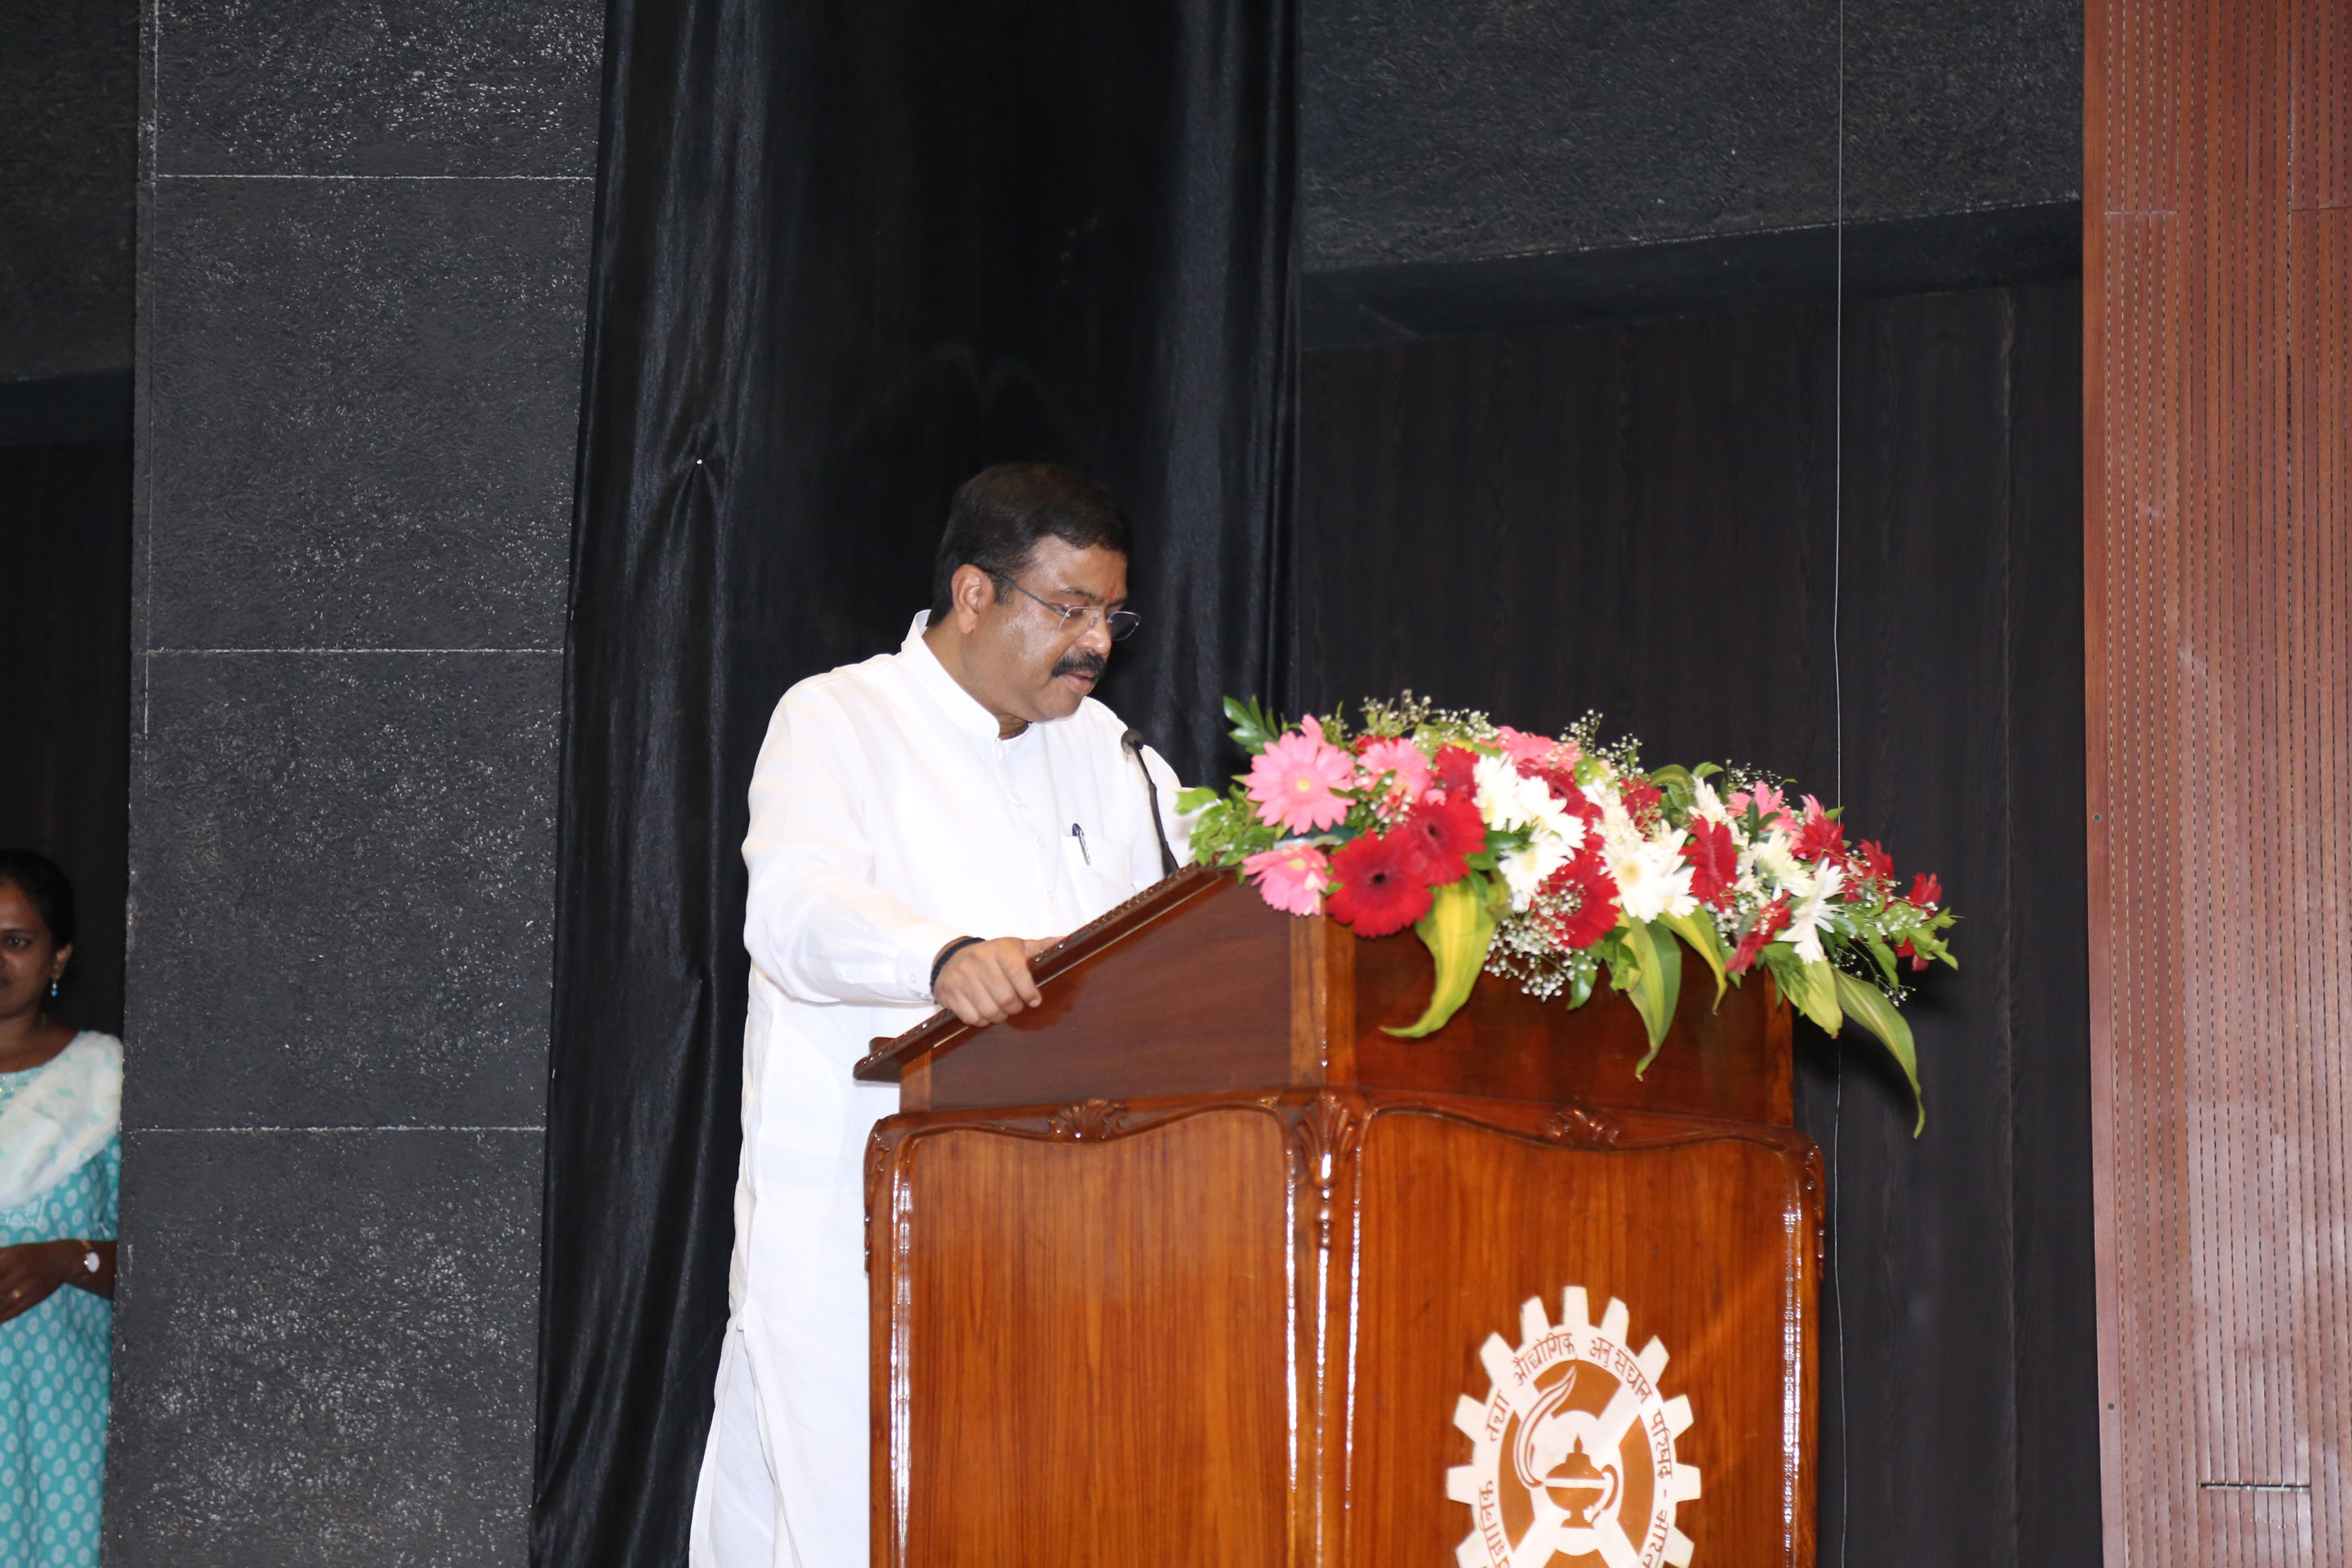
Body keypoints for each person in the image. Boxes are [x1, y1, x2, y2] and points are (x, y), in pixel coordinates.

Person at [689, 464, 1191, 1567]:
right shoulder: (839, 718)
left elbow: (1210, 908)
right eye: (1070, 609)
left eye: (1111, 616)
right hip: (860, 1234)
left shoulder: (1112, 754)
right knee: (843, 1522)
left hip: (1055, 1234)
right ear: (973, 594)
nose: (1096, 644)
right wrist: (944, 958)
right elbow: (793, 911)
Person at [0, 851, 119, 1568]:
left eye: (16, 941)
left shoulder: (107, 1081)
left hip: (61, 1419)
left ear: (58, 957)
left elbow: (179, 1266)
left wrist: (68, 1260)